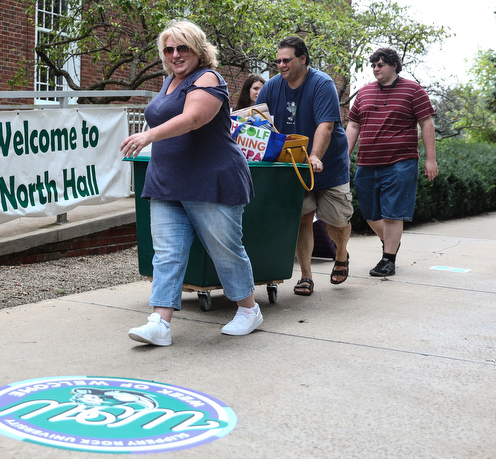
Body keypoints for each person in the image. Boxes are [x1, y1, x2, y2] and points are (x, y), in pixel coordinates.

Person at [121, 20, 260, 346]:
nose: (175, 54)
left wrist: (148, 135)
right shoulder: (169, 81)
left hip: (210, 180)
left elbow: (195, 118)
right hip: (166, 181)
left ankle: (248, 309)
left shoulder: (208, 78)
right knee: (166, 254)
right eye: (168, 49)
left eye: (182, 47)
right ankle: (160, 323)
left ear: (199, 50)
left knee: (225, 251)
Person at [254, 37, 352, 296]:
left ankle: (341, 253)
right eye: (278, 61)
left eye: (287, 60)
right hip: (294, 168)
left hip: (328, 166)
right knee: (301, 219)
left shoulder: (322, 84)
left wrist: (315, 155)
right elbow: (257, 123)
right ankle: (306, 276)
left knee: (337, 223)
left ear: (303, 59)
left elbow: (326, 125)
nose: (281, 65)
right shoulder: (272, 87)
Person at [346, 47, 438, 276]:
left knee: (392, 213)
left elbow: (426, 123)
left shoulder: (413, 91)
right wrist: (344, 157)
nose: (376, 69)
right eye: (374, 65)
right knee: (369, 214)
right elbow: (353, 125)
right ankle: (391, 243)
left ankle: (388, 259)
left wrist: (431, 159)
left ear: (394, 65)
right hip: (367, 163)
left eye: (381, 64)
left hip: (401, 162)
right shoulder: (364, 92)